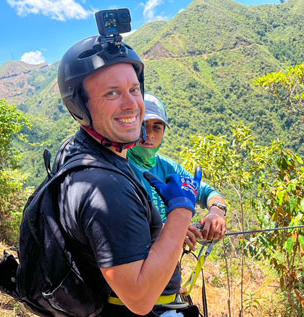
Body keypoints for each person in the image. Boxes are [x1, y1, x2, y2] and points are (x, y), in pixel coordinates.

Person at [55, 35, 200, 316]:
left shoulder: (79, 151)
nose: (131, 104)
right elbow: (140, 297)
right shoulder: (105, 187)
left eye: (134, 89)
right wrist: (182, 212)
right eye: (111, 93)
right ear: (79, 107)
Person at [127, 93, 227, 251]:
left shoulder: (169, 168)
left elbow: (207, 192)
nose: (150, 134)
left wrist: (217, 211)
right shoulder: (119, 167)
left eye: (157, 127)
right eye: (144, 126)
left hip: (167, 262)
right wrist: (169, 231)